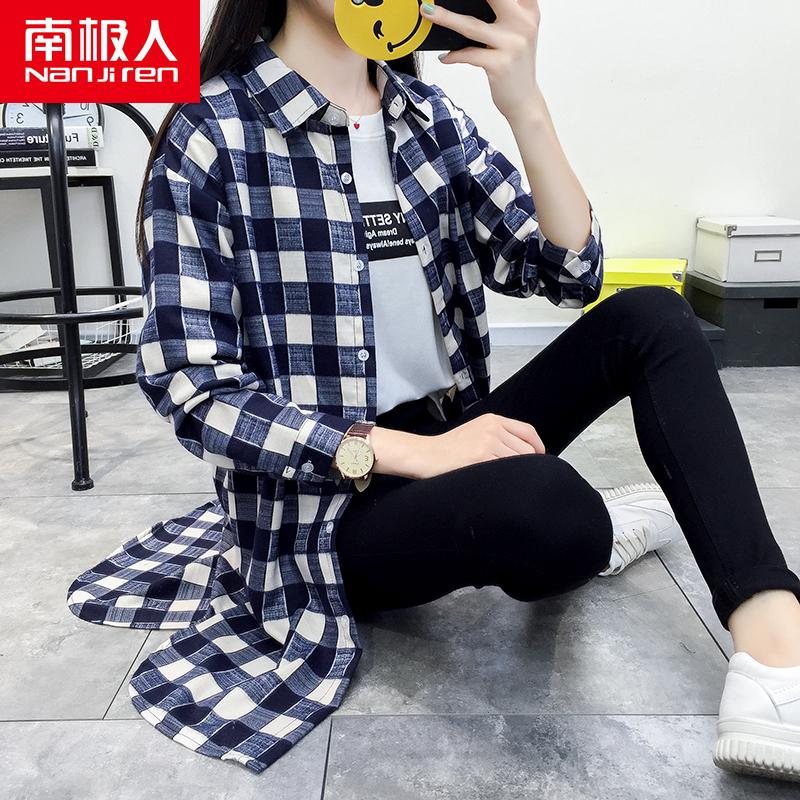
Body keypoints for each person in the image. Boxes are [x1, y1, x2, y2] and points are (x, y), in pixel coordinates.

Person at [66, 0, 800, 783]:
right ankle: (582, 518)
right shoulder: (211, 131)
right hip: (328, 511)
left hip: (456, 437)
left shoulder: (424, 116)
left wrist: (524, 102)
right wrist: (419, 454)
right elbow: (193, 388)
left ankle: (776, 653)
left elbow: (570, 272)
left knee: (652, 316)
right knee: (555, 513)